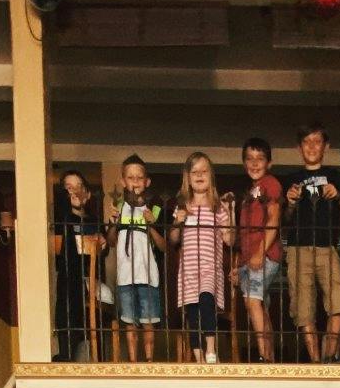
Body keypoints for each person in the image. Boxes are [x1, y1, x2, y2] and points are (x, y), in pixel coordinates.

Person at [279, 121, 340, 362]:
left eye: (316, 141)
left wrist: (338, 195)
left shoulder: (336, 177)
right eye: (306, 142)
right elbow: (284, 220)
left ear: (326, 146)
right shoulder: (290, 178)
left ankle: (329, 357)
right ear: (300, 147)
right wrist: (289, 203)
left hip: (327, 247)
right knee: (303, 308)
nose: (311, 146)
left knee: (339, 301)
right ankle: (316, 362)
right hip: (298, 249)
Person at [169, 151, 235, 363]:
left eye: (204, 171)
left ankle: (211, 350)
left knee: (207, 300)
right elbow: (173, 239)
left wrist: (231, 215)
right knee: (193, 313)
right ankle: (199, 360)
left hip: (209, 267)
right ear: (187, 177)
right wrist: (178, 222)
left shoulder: (218, 208)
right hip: (188, 270)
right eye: (194, 171)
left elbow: (229, 240)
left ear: (211, 176)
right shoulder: (182, 207)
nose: (199, 175)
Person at [106, 155, 165, 362]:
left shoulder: (154, 207)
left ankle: (149, 360)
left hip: (148, 274)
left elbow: (163, 246)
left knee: (149, 320)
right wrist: (113, 222)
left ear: (147, 182)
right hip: (124, 274)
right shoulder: (118, 205)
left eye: (139, 178)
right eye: (130, 177)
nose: (135, 182)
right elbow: (111, 241)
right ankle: (132, 361)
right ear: (123, 181)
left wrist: (151, 224)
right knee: (129, 321)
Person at [234, 137, 283, 361]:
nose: (254, 163)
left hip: (263, 255)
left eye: (260, 159)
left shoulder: (269, 184)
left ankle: (264, 357)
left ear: (269, 163)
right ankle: (270, 357)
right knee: (257, 305)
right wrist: (238, 264)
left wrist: (259, 252)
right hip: (248, 258)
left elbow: (274, 220)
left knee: (252, 301)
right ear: (244, 164)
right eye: (249, 159)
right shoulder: (250, 192)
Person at [51, 169, 100, 362]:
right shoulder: (59, 222)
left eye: (79, 187)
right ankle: (67, 346)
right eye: (69, 188)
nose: (74, 192)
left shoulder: (93, 222)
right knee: (66, 285)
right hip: (66, 277)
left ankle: (76, 346)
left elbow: (101, 253)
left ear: (87, 194)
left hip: (89, 278)